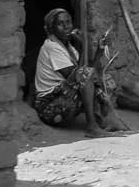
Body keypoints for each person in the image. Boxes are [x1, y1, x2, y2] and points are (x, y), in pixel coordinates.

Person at [33, 8, 126, 136]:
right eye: (61, 24)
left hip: (63, 98)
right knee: (86, 76)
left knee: (102, 78)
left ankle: (107, 119)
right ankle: (92, 127)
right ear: (52, 29)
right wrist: (84, 46)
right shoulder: (51, 47)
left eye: (68, 22)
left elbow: (88, 70)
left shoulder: (69, 48)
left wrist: (99, 51)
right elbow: (78, 75)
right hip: (49, 107)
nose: (66, 27)